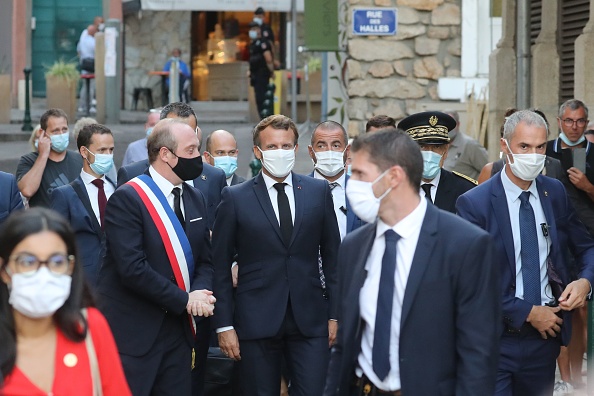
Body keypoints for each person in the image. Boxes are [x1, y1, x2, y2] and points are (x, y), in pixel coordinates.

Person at [324, 129, 500, 395]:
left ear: (394, 176)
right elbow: (345, 344)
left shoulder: (464, 245)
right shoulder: (354, 246)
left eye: (360, 174)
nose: (351, 183)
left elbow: (478, 356)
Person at [456, 110, 594, 396]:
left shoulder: (553, 192)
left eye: (540, 146)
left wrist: (585, 281)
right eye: (524, 146)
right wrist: (527, 312)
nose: (533, 155)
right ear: (505, 146)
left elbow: (586, 246)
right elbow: (470, 279)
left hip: (545, 338)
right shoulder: (474, 204)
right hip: (495, 339)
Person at [212, 114, 341, 396]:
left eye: (286, 146)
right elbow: (219, 266)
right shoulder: (235, 197)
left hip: (310, 319)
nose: (279, 152)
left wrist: (335, 314)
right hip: (256, 320)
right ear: (257, 151)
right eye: (271, 147)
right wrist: (224, 325)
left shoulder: (317, 192)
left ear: (296, 149)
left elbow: (332, 257)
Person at [96, 119, 215, 395]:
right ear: (166, 155)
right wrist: (185, 300)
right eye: (191, 150)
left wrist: (198, 292)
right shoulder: (128, 198)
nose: (198, 157)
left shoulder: (195, 197)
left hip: (179, 335)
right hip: (135, 335)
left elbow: (205, 260)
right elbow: (132, 269)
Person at [0, 208, 131, 395]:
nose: (43, 275)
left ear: (70, 266)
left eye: (56, 261)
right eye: (28, 262)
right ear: (4, 270)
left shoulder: (89, 327)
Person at [117, 102, 226, 230]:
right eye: (180, 133)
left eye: (191, 132)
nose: (188, 138)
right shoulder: (132, 176)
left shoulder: (214, 177)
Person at [50, 124, 116, 286]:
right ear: (84, 152)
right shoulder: (64, 194)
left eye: (111, 150)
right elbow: (56, 242)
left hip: (119, 282)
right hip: (83, 282)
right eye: (102, 150)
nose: (108, 155)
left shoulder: (119, 188)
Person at [398, 111, 476, 213]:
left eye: (437, 147)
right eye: (422, 146)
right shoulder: (396, 188)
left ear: (446, 151)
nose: (430, 154)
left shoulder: (466, 190)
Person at [16, 108, 83, 208]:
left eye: (64, 129)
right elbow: (27, 190)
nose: (61, 134)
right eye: (55, 131)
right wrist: (43, 155)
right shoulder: (29, 161)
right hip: (45, 222)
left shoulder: (80, 160)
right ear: (42, 133)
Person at [308, 120, 363, 238]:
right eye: (321, 146)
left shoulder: (363, 189)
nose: (329, 151)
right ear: (311, 152)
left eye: (336, 145)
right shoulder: (297, 190)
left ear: (347, 151)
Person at [441, 109, 489, 180]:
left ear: (458, 124)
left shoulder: (470, 145)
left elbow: (490, 171)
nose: (447, 128)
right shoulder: (438, 146)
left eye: (451, 124)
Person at [248, 21, 274, 119]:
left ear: (259, 30)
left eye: (254, 29)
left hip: (262, 75)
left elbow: (268, 58)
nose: (252, 32)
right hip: (255, 76)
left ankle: (265, 123)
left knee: (263, 99)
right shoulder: (254, 43)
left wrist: (271, 71)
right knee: (259, 100)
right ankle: (262, 122)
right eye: (251, 29)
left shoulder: (263, 43)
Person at [77, 24, 97, 114]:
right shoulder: (93, 41)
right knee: (91, 86)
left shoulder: (82, 41)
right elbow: (97, 51)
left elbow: (78, 51)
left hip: (84, 64)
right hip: (91, 65)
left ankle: (82, 105)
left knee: (84, 86)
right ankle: (89, 105)